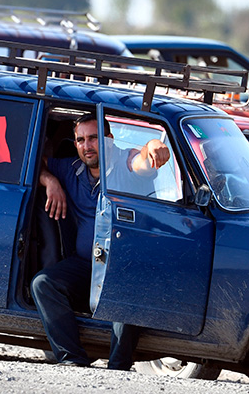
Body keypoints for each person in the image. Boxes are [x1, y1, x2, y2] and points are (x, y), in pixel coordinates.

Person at [31, 113, 170, 370]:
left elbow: (141, 160)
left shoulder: (125, 161)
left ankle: (118, 369)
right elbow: (33, 162)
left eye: (93, 138)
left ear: (108, 139)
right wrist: (49, 180)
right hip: (86, 264)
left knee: (125, 288)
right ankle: (72, 359)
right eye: (80, 140)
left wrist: (153, 146)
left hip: (120, 267)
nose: (87, 145)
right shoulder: (70, 169)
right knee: (43, 283)